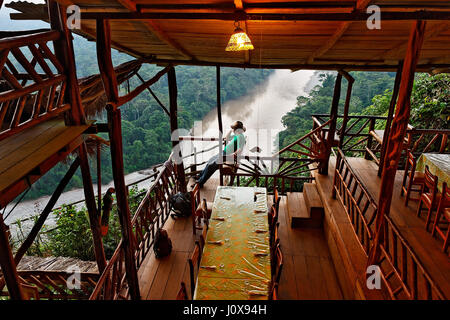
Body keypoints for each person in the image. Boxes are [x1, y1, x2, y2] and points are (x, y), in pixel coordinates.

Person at [196, 121, 246, 188]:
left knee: (211, 166)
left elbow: (240, 148)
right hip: (224, 153)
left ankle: (200, 182)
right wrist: (231, 130)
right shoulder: (237, 135)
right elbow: (226, 138)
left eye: (233, 128)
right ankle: (200, 176)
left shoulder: (240, 136)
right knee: (210, 161)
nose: (233, 129)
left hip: (227, 156)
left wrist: (234, 154)